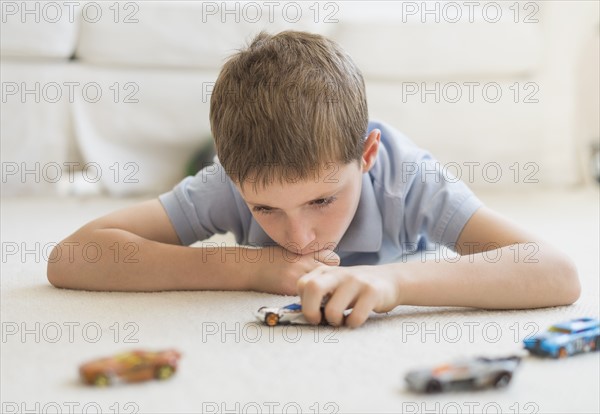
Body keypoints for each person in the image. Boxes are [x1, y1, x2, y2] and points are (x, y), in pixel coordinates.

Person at [47, 31, 580, 328]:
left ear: (366, 154)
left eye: (323, 199)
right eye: (266, 210)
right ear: (234, 179)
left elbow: (556, 271)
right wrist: (249, 267)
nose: (299, 237)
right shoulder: (231, 181)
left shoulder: (407, 178)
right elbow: (71, 257)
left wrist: (392, 282)